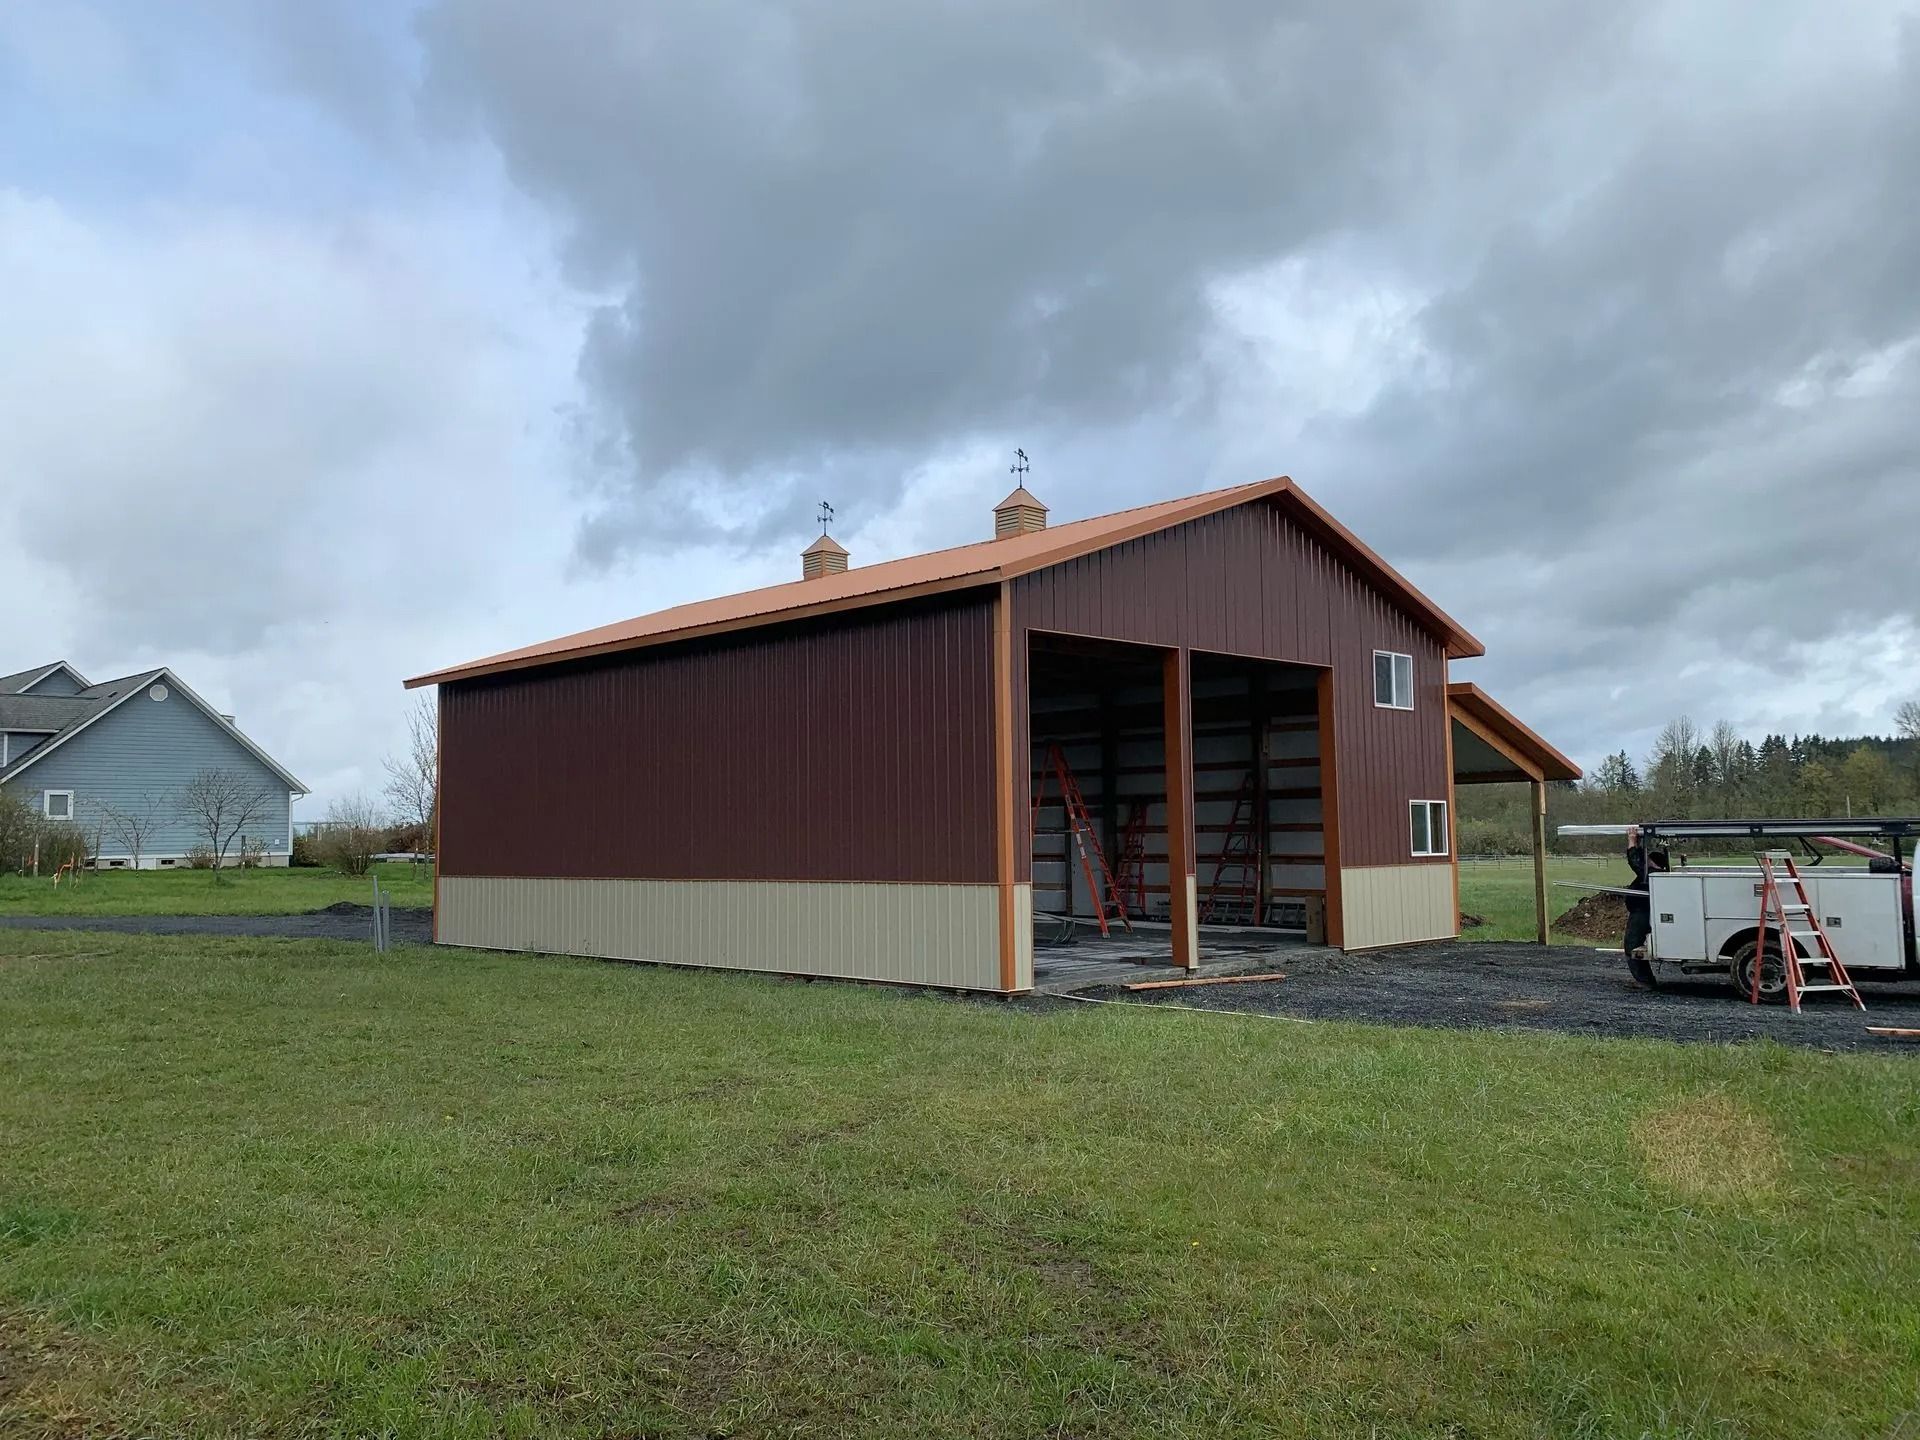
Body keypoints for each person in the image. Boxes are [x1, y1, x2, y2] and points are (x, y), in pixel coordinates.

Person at [1621, 825, 1667, 987]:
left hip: (1642, 912)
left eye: (1649, 860)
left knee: (1631, 944)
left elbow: (1635, 862)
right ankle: (1644, 979)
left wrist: (1632, 841)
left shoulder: (1653, 875)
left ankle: (1644, 981)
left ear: (1654, 863)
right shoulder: (1658, 873)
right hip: (1646, 911)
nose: (1646, 861)